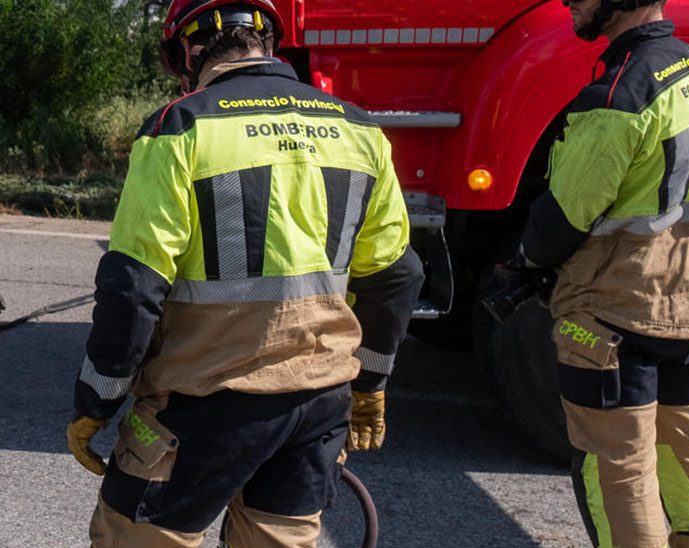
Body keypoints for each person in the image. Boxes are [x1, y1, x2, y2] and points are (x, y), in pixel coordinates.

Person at [65, 0, 424, 544]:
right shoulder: (360, 131)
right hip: (318, 405)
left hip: (203, 403)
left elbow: (133, 287)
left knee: (134, 534)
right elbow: (396, 278)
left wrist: (97, 403)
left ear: (188, 50)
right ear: (270, 43)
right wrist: (370, 386)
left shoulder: (179, 127)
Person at [509, 0, 689, 546]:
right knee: (688, 447)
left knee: (620, 464)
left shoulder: (618, 96)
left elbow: (565, 215)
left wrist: (521, 262)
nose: (570, 2)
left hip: (618, 307)